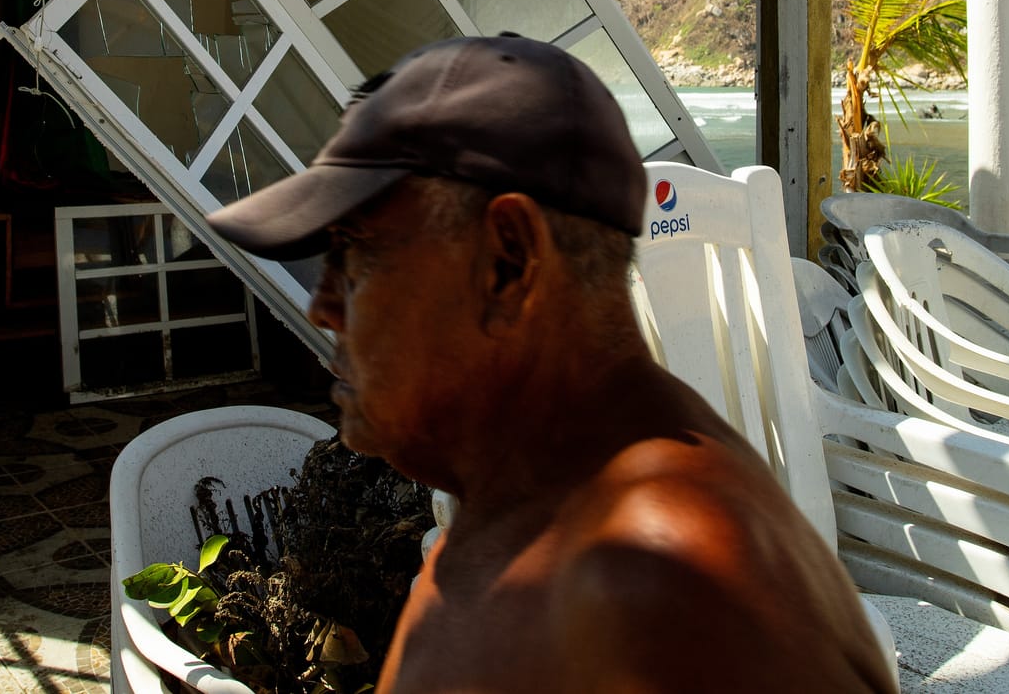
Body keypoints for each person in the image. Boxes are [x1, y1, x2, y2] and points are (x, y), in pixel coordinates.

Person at [210, 35, 895, 694]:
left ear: (508, 262)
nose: (322, 306)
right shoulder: (524, 509)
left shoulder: (660, 585)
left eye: (355, 254)